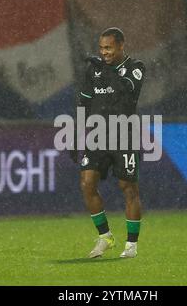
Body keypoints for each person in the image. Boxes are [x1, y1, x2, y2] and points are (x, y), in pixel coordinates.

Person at [71, 27, 146, 258]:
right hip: (97, 135)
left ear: (121, 45)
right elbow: (84, 104)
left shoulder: (136, 68)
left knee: (128, 188)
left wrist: (105, 69)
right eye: (101, 48)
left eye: (109, 47)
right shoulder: (93, 71)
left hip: (124, 135)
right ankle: (105, 237)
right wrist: (76, 136)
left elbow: (125, 89)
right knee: (87, 183)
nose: (104, 52)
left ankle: (131, 245)